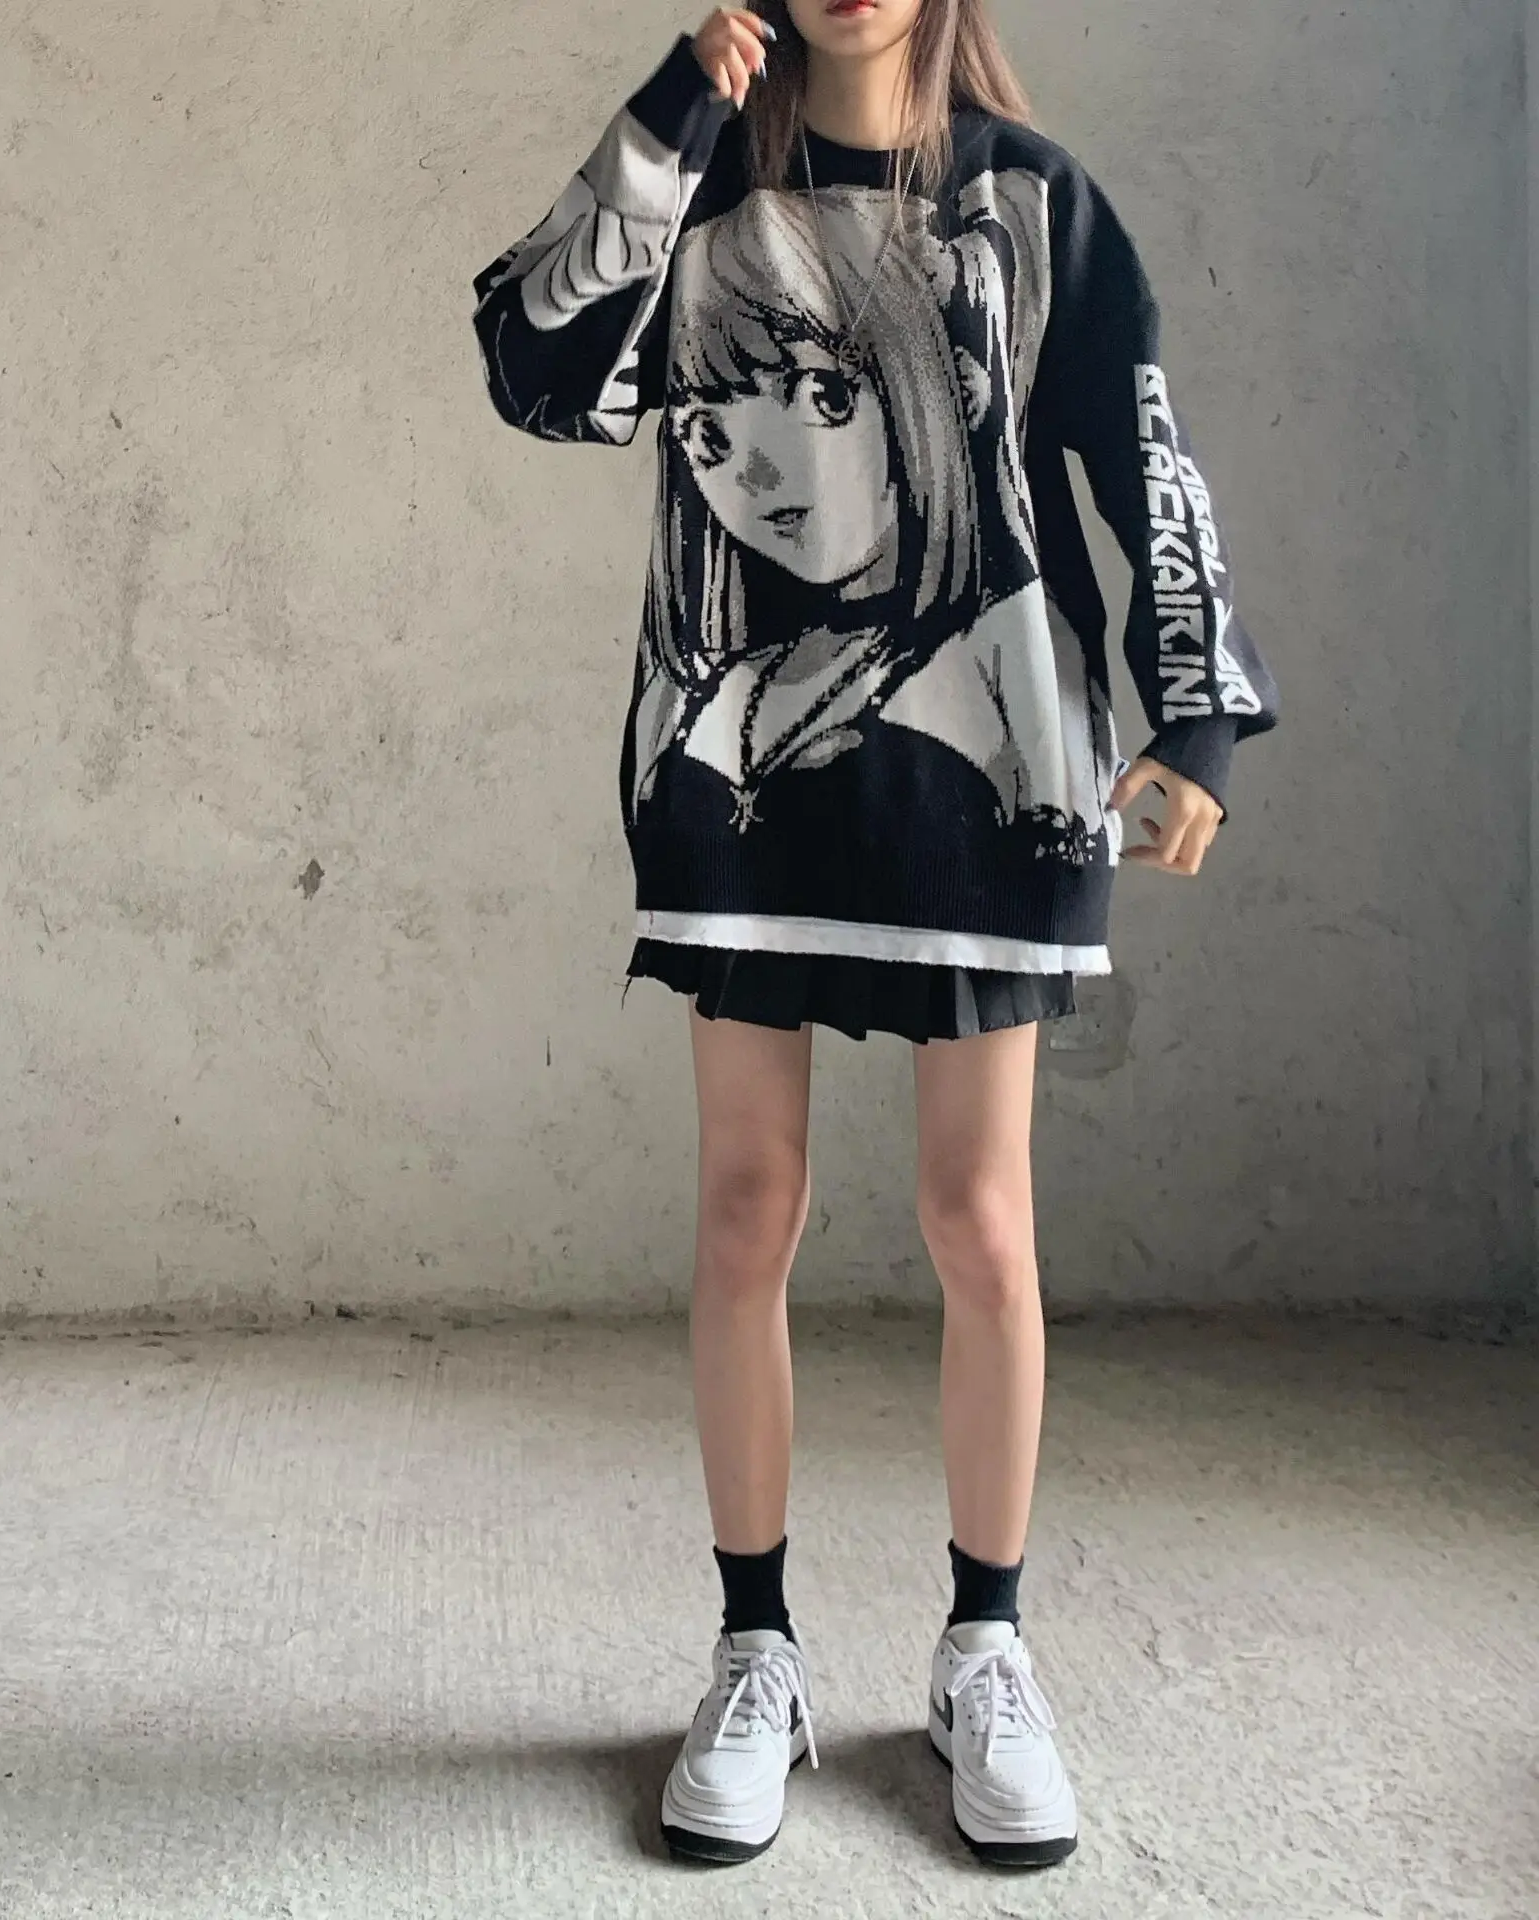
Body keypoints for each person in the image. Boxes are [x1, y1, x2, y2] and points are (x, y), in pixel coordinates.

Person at [472, 0, 1277, 1871]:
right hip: (737, 766)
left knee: (978, 1219)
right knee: (746, 1207)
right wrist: (675, 103)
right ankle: (754, 1650)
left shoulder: (1031, 201)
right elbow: (535, 365)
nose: (766, 452)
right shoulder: (697, 190)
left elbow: (1136, 452)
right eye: (735, 419)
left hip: (1000, 776)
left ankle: (987, 1646)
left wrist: (1199, 718)